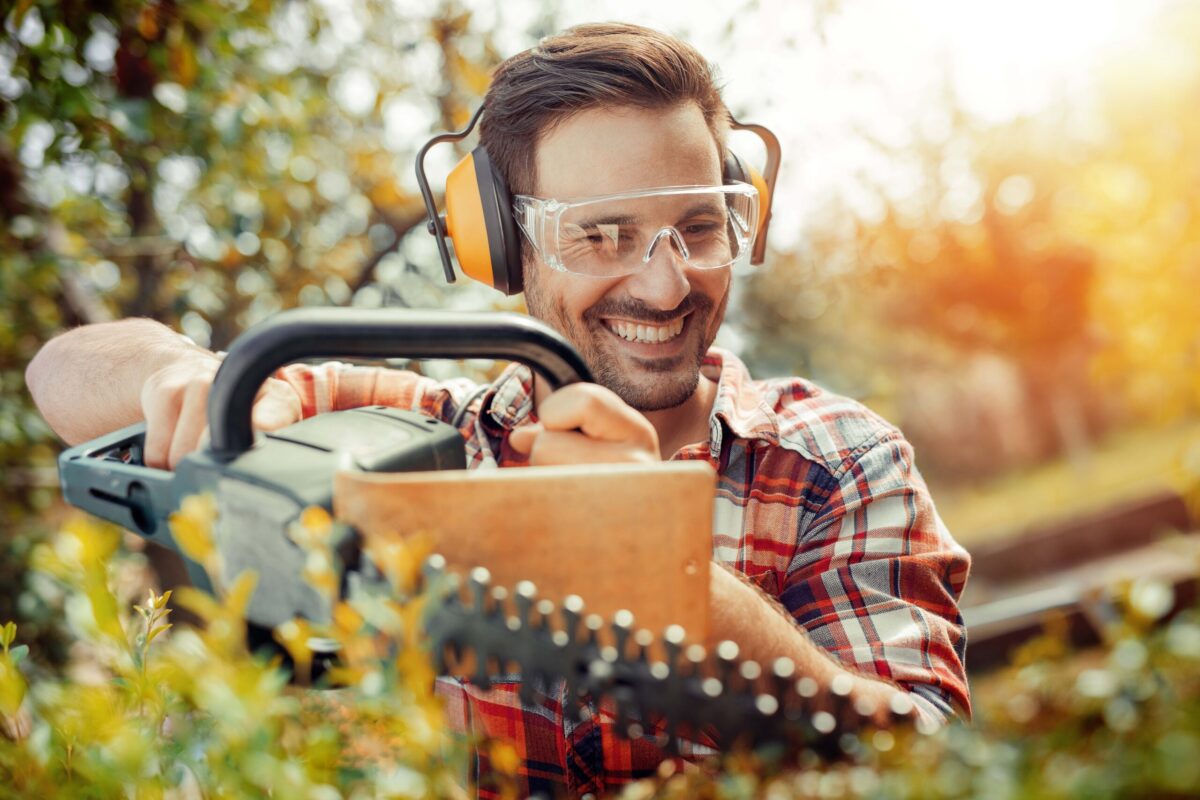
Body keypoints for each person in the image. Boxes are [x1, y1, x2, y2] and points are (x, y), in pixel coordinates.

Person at [27, 22, 970, 797]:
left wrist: (657, 564)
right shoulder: (408, 437)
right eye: (602, 234)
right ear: (502, 249)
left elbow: (930, 762)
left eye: (697, 225)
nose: (666, 281)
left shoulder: (837, 461)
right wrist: (180, 371)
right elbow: (62, 374)